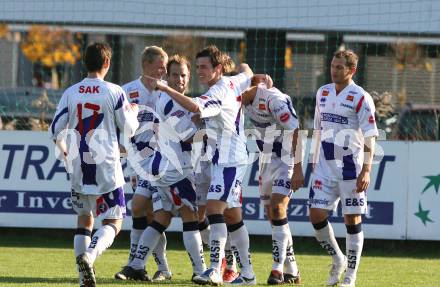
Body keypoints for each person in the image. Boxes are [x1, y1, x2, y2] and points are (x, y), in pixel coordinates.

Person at [146, 45, 270, 286]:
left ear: (218, 69)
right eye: (199, 66)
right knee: (233, 216)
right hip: (224, 158)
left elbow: (194, 106)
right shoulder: (234, 81)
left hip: (229, 160)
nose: (200, 71)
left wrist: (165, 88)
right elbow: (246, 70)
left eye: (204, 67)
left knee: (214, 209)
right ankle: (248, 275)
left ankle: (214, 268)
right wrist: (257, 77)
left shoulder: (219, 91)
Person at [49, 42, 139, 287]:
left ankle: (83, 280)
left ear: (84, 63)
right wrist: (133, 111)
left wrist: (65, 150)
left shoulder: (71, 92)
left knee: (84, 220)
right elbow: (129, 128)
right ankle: (89, 256)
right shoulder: (114, 91)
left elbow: (56, 129)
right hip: (106, 166)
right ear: (107, 63)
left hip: (79, 165)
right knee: (114, 222)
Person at [124, 54, 207, 282]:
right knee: (191, 218)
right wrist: (213, 130)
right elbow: (188, 137)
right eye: (174, 75)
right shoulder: (170, 102)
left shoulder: (175, 100)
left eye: (183, 75)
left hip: (163, 168)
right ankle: (200, 271)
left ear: (188, 76)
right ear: (166, 77)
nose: (179, 79)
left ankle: (136, 265)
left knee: (161, 217)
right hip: (176, 170)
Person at [308, 50, 378, 287]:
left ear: (352, 70)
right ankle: (337, 259)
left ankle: (350, 275)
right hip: (324, 166)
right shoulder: (323, 92)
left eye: (339, 67)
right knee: (315, 215)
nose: (334, 70)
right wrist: (312, 159)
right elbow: (317, 128)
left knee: (352, 219)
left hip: (351, 167)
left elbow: (370, 136)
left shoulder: (361, 97)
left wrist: (366, 170)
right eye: (333, 66)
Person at [115, 46, 171, 281]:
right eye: (161, 66)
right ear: (146, 65)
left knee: (145, 210)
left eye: (166, 66)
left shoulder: (167, 91)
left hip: (162, 161)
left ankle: (135, 263)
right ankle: (159, 268)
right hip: (137, 162)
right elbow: (121, 127)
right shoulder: (128, 91)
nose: (164, 71)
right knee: (146, 212)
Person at [241, 83, 304, 285]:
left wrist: (299, 168)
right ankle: (292, 269)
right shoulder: (242, 100)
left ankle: (277, 269)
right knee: (273, 215)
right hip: (266, 160)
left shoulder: (273, 100)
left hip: (286, 159)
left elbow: (296, 131)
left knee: (277, 208)